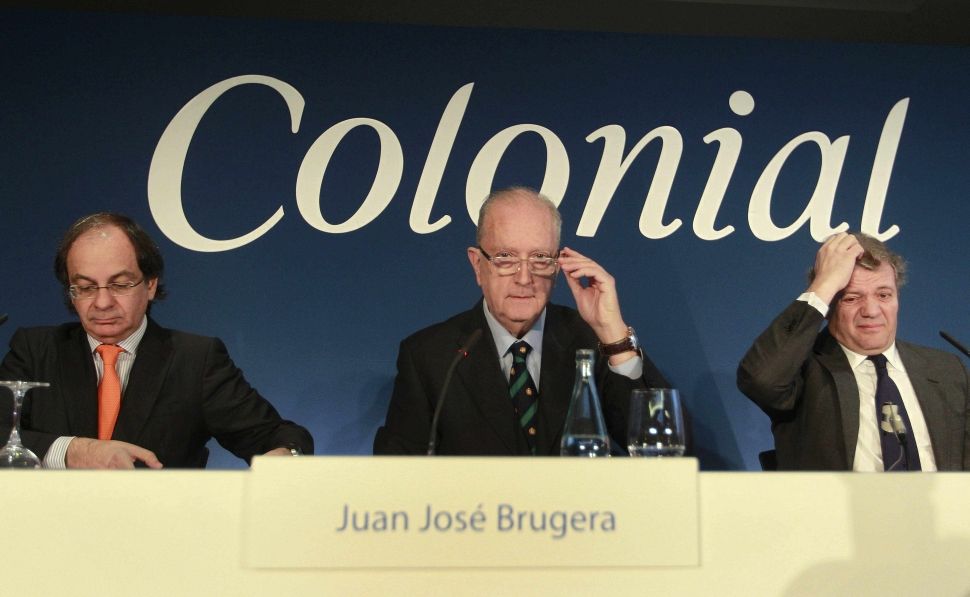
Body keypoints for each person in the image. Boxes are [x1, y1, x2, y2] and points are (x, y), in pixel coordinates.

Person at [0, 213, 313, 469]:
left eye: (120, 284)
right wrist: (74, 451)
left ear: (150, 285)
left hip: (159, 523)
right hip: (47, 521)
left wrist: (284, 456)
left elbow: (278, 436)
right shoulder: (36, 350)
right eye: (85, 287)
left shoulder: (195, 360)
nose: (102, 302)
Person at [373, 187, 669, 455]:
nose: (525, 278)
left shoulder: (592, 341)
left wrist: (612, 332)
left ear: (557, 266)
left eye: (540, 258)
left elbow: (663, 450)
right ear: (478, 265)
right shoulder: (430, 357)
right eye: (505, 257)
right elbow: (397, 476)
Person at [737, 231, 969, 471]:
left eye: (884, 295)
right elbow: (761, 380)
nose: (871, 311)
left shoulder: (947, 370)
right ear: (827, 306)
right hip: (838, 497)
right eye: (851, 298)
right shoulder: (802, 370)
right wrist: (823, 285)